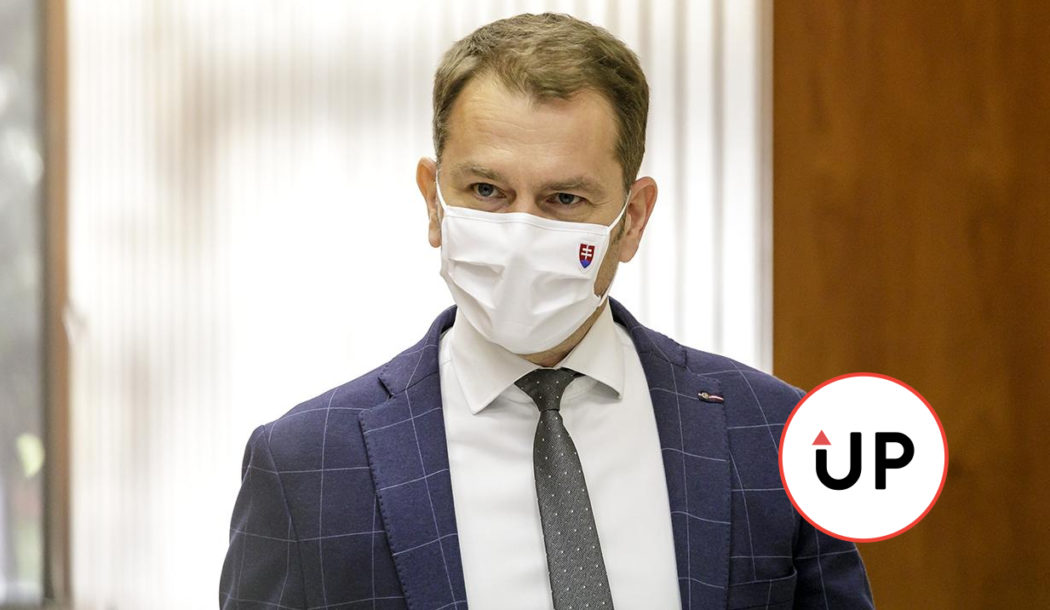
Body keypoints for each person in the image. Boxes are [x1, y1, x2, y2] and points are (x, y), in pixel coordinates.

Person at [219, 13, 874, 610]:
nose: (520, 234)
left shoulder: (775, 434)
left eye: (564, 199)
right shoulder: (306, 464)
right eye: (486, 190)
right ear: (433, 201)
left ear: (632, 219)